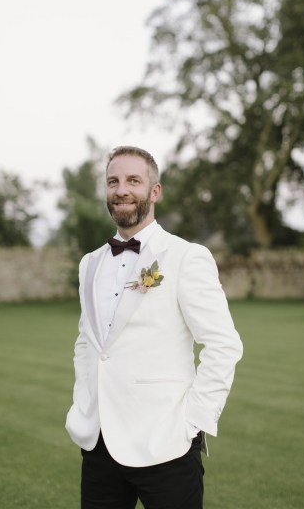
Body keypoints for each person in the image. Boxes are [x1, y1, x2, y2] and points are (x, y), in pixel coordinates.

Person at [66, 146, 243, 509]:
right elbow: (88, 343)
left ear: (155, 191)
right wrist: (83, 403)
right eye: (113, 181)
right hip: (99, 444)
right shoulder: (90, 264)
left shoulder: (185, 256)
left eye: (134, 180)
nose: (122, 190)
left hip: (167, 442)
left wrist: (193, 423)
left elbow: (223, 344)